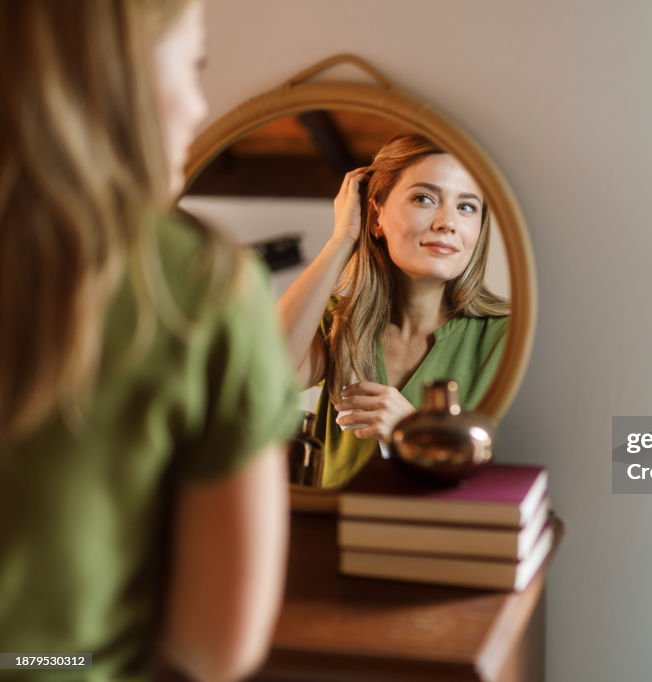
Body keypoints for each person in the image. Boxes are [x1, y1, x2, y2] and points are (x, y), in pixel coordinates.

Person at [0, 2, 297, 680]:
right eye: (192, 66)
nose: (199, 106)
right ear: (113, 74)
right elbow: (216, 648)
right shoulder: (200, 287)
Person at [278, 134, 509, 488]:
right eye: (424, 198)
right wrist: (342, 240)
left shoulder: (507, 336)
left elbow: (513, 477)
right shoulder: (339, 323)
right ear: (376, 217)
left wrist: (413, 432)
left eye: (466, 207)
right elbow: (264, 374)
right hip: (332, 537)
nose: (447, 222)